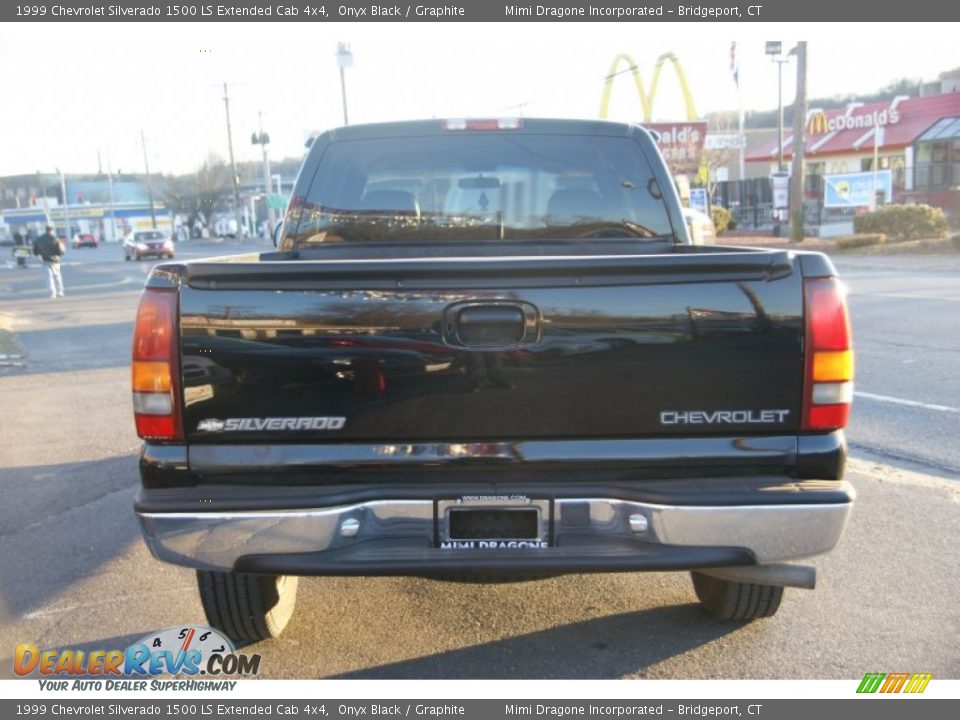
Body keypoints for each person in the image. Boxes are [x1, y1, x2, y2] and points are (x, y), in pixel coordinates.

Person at [32, 225, 65, 298]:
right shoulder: (56, 239)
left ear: (46, 230)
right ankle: (60, 291)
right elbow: (61, 251)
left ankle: (52, 293)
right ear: (52, 230)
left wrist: (40, 254)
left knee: (48, 277)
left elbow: (35, 251)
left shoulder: (39, 239)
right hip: (55, 260)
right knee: (57, 276)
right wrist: (58, 255)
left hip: (45, 260)